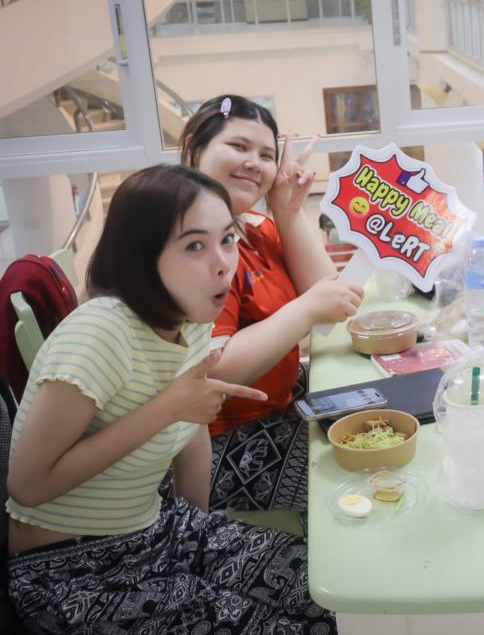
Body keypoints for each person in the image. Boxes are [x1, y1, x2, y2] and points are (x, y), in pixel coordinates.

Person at [5, 165, 336, 633]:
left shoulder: (190, 320)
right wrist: (168, 407)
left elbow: (193, 438)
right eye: (194, 246)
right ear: (141, 257)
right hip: (71, 573)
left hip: (160, 531)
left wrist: (198, 538)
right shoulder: (100, 333)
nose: (222, 263)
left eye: (227, 239)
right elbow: (27, 485)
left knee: (331, 590)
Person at [179, 95, 364, 512]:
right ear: (194, 148)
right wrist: (306, 309)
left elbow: (330, 295)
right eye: (238, 147)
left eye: (266, 155)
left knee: (389, 416)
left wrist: (287, 210)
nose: (254, 163)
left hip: (279, 408)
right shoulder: (191, 243)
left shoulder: (254, 226)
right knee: (365, 469)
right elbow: (214, 372)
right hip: (220, 445)